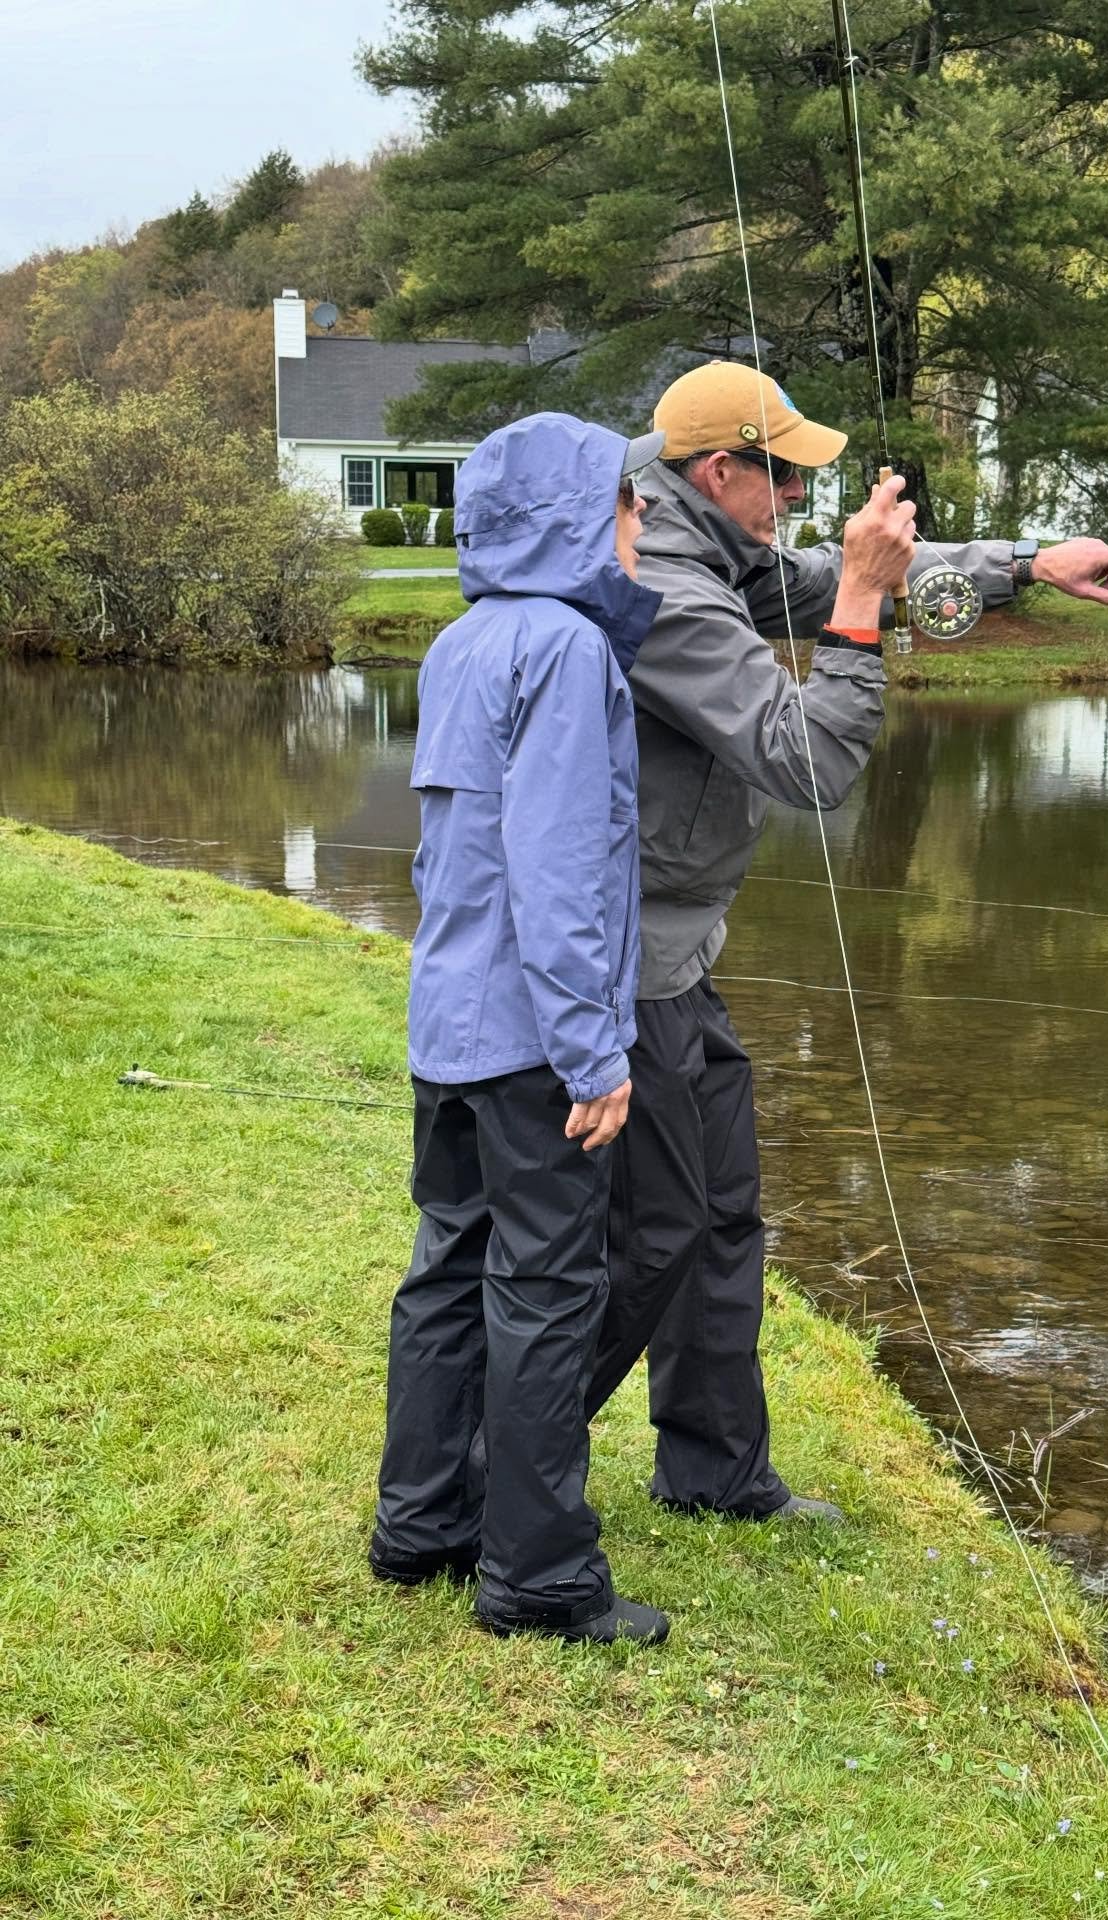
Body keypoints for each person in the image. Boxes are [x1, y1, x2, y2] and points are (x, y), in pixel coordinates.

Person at [583, 360, 1108, 1522]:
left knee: (723, 1214)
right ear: (718, 469)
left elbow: (815, 573)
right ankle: (510, 1460)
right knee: (653, 1238)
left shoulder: (706, 538)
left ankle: (714, 1474)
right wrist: (857, 606)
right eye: (785, 475)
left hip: (677, 953)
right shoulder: (658, 587)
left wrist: (1027, 565)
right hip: (618, 967)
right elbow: (812, 762)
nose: (798, 497)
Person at [370, 411, 671, 1646]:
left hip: (447, 1027)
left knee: (447, 1271)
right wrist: (595, 1054)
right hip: (530, 1040)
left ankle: (422, 1523)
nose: (640, 522)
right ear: (572, 516)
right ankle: (538, 1580)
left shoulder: (461, 642)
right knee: (545, 1289)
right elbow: (556, 869)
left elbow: (457, 856)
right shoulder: (564, 650)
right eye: (625, 500)